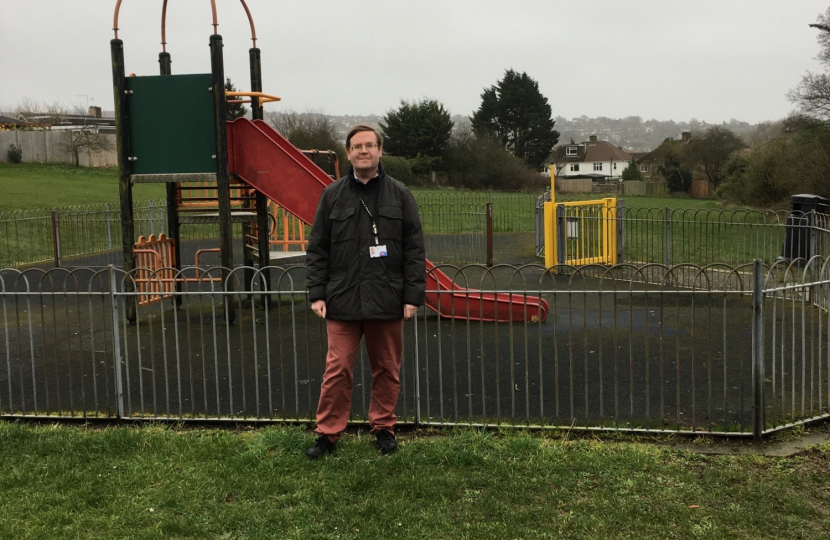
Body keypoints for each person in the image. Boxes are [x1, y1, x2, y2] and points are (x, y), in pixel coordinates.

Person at [304, 124, 426, 458]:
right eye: (357, 146)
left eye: (369, 145)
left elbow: (414, 249)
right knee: (337, 369)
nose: (363, 151)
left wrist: (412, 297)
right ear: (348, 153)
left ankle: (384, 428)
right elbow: (318, 249)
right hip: (342, 300)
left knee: (387, 370)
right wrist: (317, 293)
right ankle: (328, 434)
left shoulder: (400, 195)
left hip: (388, 299)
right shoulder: (332, 196)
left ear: (380, 150)